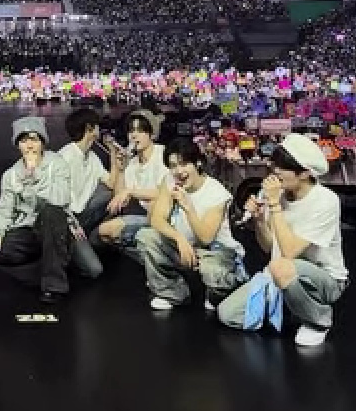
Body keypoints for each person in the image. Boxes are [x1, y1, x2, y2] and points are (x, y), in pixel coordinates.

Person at [216, 133, 348, 348]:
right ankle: (292, 309)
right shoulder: (277, 194)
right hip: (280, 274)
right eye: (274, 166)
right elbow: (269, 247)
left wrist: (275, 205)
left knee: (281, 267)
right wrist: (259, 220)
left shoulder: (325, 200)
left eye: (282, 168)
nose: (275, 173)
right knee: (228, 314)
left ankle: (318, 321)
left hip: (324, 278)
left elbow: (289, 252)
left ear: (305, 173)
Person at [134, 138, 247, 313]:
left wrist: (188, 207)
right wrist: (179, 238)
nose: (178, 171)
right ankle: (173, 292)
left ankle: (219, 293)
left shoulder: (216, 193)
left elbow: (205, 238)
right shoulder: (169, 181)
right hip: (185, 248)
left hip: (216, 252)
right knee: (146, 237)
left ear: (198, 163)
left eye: (184, 164)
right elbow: (157, 219)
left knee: (214, 272)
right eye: (173, 166)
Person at [0, 115, 73, 302]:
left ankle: (54, 286)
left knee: (51, 212)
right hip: (28, 230)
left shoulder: (57, 164)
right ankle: (41, 272)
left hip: (55, 228)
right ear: (18, 145)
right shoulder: (11, 174)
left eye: (34, 139)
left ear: (42, 142)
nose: (30, 146)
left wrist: (35, 175)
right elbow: (4, 209)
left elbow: (61, 199)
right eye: (24, 141)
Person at [55, 106, 123, 281]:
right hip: (67, 221)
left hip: (83, 215)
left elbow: (111, 183)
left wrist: (113, 154)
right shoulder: (65, 157)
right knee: (95, 270)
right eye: (97, 126)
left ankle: (91, 239)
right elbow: (56, 200)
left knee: (109, 194)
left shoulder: (92, 157)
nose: (100, 130)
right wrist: (72, 224)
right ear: (89, 129)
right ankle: (68, 250)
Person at [97, 109, 166, 265]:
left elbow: (163, 193)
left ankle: (157, 257)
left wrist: (131, 192)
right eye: (131, 131)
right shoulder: (133, 163)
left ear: (152, 134)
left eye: (140, 131)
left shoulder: (162, 155)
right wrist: (121, 169)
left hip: (166, 216)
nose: (134, 135)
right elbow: (120, 197)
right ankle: (150, 257)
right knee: (104, 232)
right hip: (147, 216)